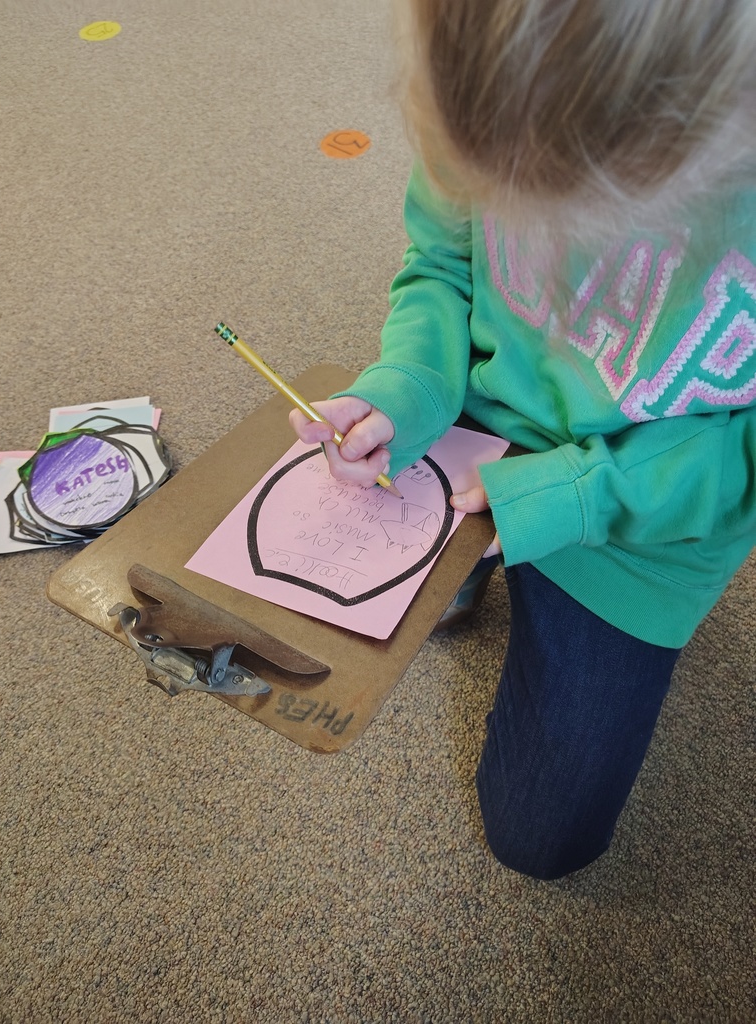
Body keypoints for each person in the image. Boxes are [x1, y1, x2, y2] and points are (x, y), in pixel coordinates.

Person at [290, 0, 756, 879]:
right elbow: (441, 265)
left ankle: (485, 550)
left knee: (540, 842)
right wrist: (409, 388)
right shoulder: (479, 59)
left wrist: (580, 499)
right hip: (476, 427)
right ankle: (468, 548)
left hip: (646, 511)